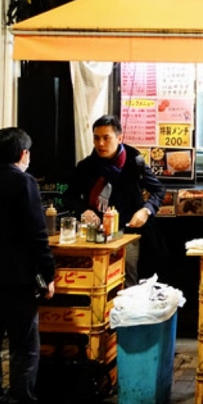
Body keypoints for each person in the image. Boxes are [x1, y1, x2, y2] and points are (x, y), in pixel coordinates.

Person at [0, 128, 55, 404]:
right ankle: (22, 399)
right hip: (17, 280)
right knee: (24, 346)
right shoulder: (23, 182)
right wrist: (48, 274)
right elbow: (37, 235)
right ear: (23, 154)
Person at [64, 115, 166, 286]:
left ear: (120, 138)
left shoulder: (135, 162)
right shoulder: (86, 166)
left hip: (129, 231)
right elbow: (69, 196)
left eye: (106, 138)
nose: (100, 144)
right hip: (96, 233)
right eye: (96, 138)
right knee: (98, 280)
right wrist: (84, 210)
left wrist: (146, 210)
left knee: (129, 279)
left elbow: (158, 189)